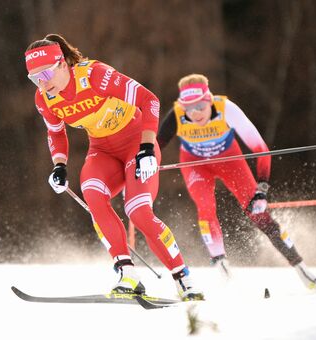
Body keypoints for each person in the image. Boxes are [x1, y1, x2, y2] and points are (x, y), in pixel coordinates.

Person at [24, 34, 204, 301]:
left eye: (47, 73)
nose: (43, 83)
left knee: (138, 211)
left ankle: (183, 278)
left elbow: (150, 100)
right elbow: (56, 133)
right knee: (93, 194)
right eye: (35, 78)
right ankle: (128, 274)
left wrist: (146, 148)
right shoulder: (45, 99)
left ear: (62, 64)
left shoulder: (96, 75)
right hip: (102, 150)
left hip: (136, 145)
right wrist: (59, 166)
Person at [157, 74, 316, 293]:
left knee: (258, 213)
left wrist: (262, 190)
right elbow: (155, 146)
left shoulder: (226, 108)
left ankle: (304, 272)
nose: (195, 113)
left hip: (228, 160)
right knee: (205, 207)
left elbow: (261, 149)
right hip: (195, 164)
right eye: (189, 108)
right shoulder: (176, 115)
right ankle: (223, 270)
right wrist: (144, 163)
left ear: (209, 100)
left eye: (201, 106)